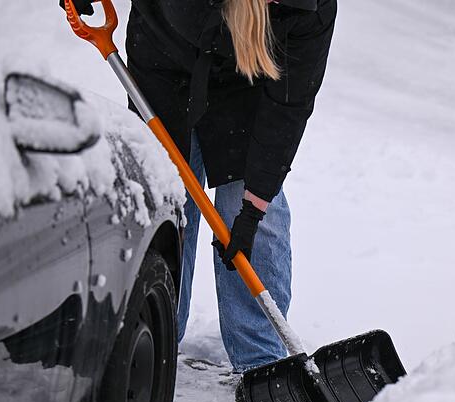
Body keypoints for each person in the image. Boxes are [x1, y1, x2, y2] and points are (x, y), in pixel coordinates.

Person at [65, 0, 337, 372]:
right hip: (164, 62)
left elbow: (290, 106)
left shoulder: (310, 9)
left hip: (248, 79)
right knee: (166, 202)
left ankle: (261, 364)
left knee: (258, 215)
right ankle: (153, 336)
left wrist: (252, 209)